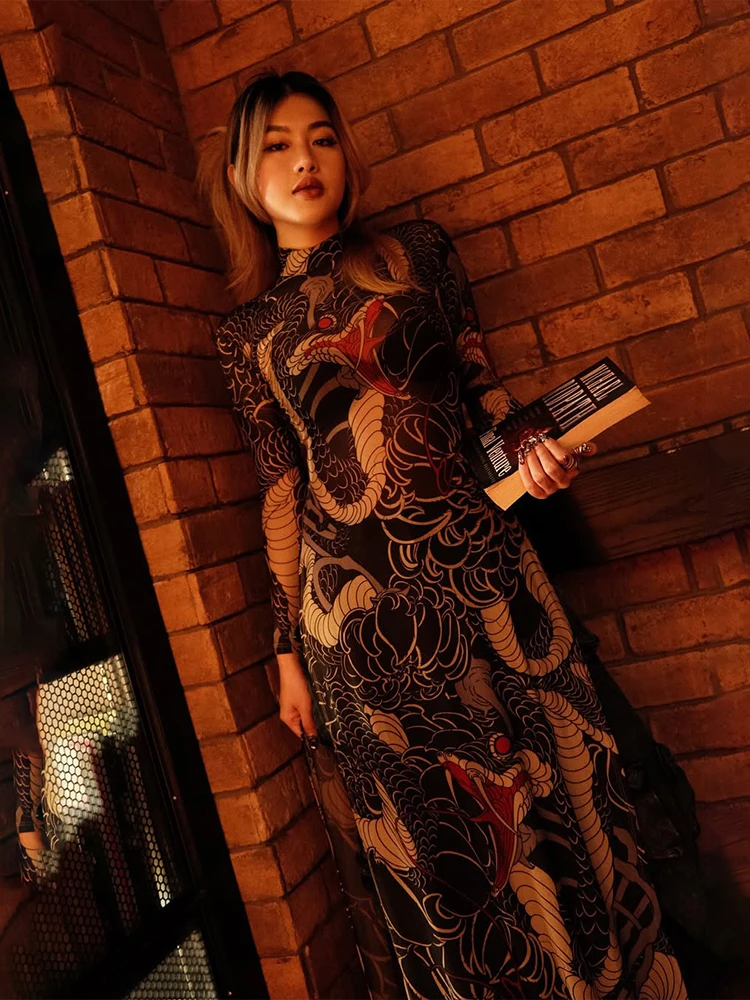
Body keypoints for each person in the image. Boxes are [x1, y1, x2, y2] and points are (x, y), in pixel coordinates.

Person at [201, 69, 687, 1000]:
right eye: (277, 145)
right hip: (361, 627)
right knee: (455, 861)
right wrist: (285, 651)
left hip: (487, 576)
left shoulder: (415, 253)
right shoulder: (247, 334)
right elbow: (281, 490)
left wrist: (540, 457)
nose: (305, 160)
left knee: (565, 799)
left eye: (322, 137)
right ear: (240, 175)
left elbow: (482, 392)